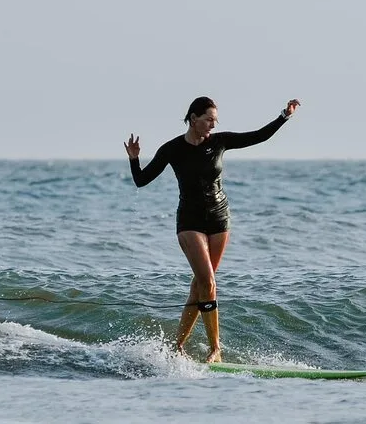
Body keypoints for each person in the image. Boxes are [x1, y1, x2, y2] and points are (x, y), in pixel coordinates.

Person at [124, 96, 301, 363]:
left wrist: (284, 116)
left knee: (201, 285)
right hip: (190, 221)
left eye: (215, 121)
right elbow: (141, 180)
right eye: (208, 120)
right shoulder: (172, 149)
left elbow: (258, 136)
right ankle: (215, 349)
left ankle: (177, 346)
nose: (212, 125)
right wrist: (134, 159)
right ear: (193, 119)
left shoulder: (219, 142)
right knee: (207, 282)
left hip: (219, 219)